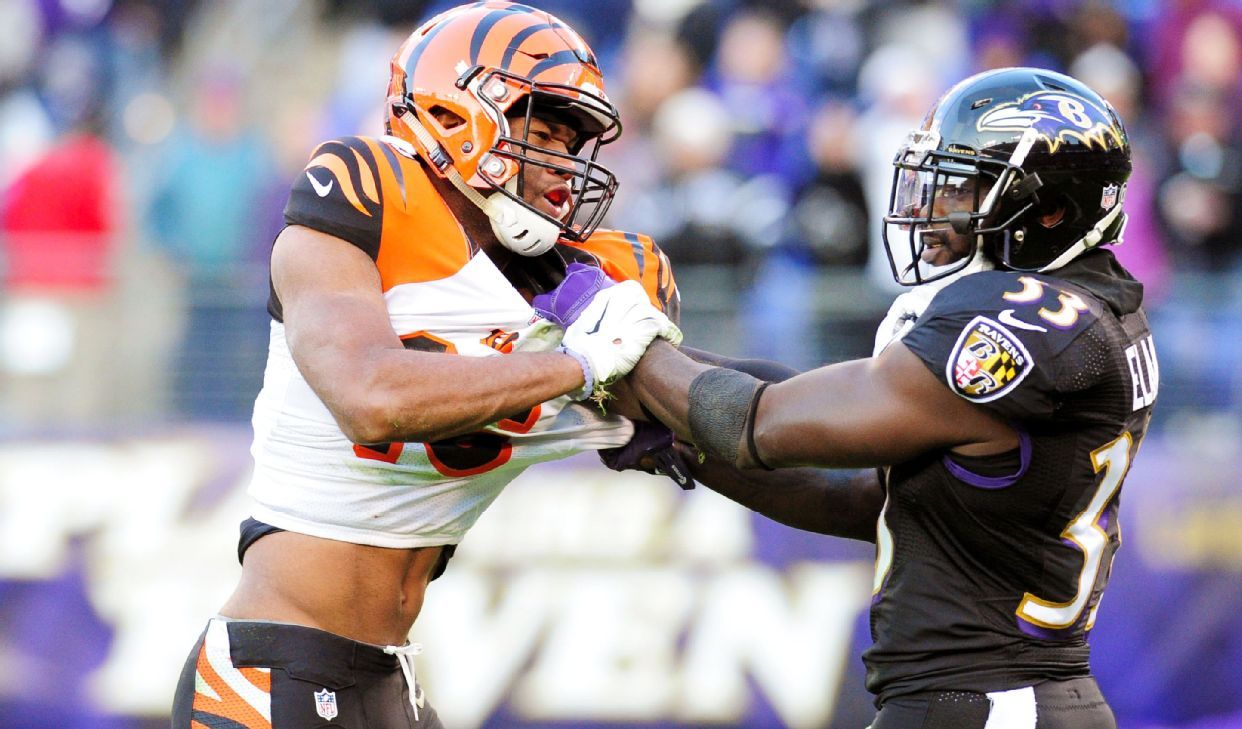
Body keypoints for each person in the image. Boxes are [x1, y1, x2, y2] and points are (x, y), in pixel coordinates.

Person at [169, 4, 682, 728]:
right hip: (274, 666)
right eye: (542, 133)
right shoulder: (367, 192)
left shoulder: (572, 290)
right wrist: (578, 366)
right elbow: (370, 395)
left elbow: (739, 410)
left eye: (573, 144)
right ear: (453, 110)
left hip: (388, 677)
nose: (563, 167)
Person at [623, 67, 1159, 728]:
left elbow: (764, 422)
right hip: (1001, 699)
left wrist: (617, 351)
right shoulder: (1087, 311)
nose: (935, 209)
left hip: (990, 702)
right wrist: (673, 425)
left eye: (963, 189)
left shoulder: (1025, 323)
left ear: (1048, 211)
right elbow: (863, 494)